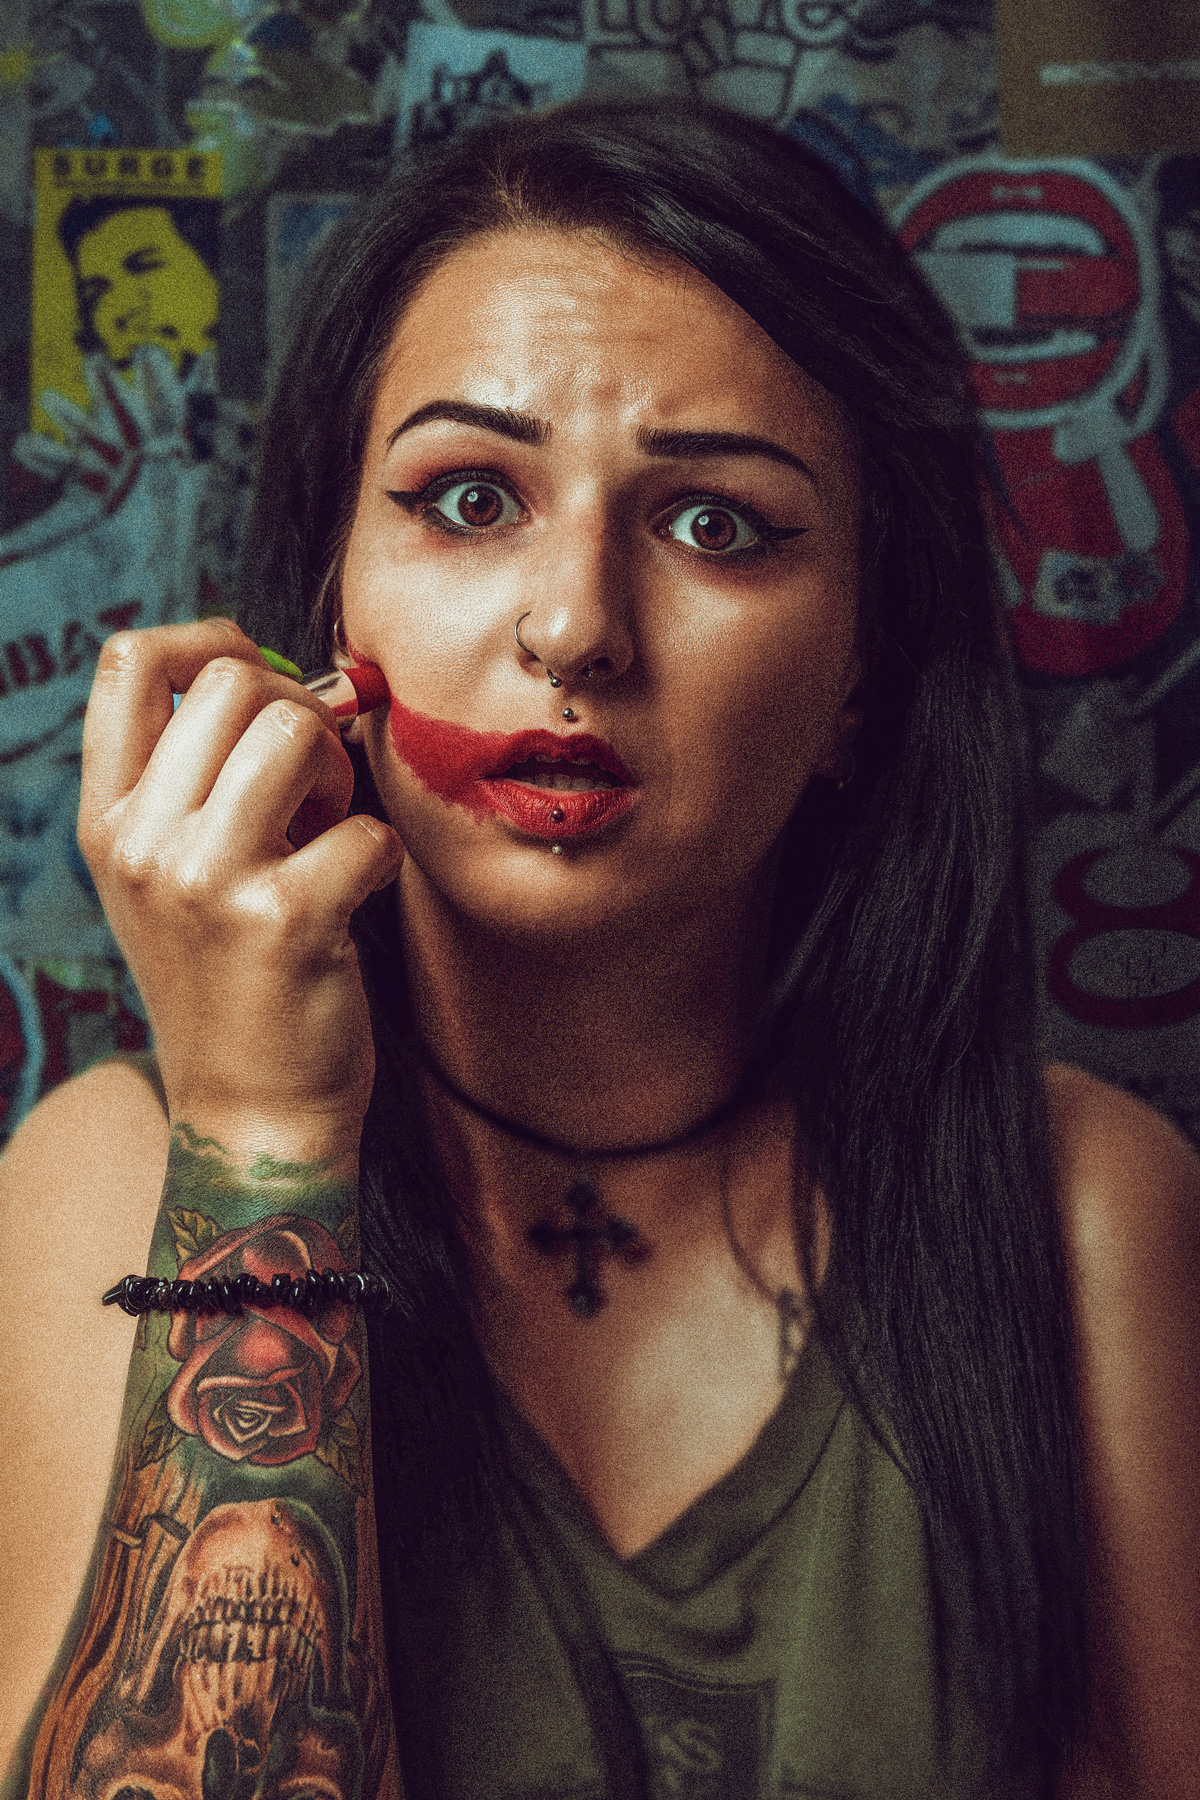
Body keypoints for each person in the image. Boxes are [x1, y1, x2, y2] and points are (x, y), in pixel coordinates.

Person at [1, 99, 1197, 1800]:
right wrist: (262, 1145)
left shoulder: (1080, 1208)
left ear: (861, 675)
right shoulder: (117, 1182)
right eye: (470, 496)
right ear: (330, 616)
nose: (574, 624)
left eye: (716, 524)